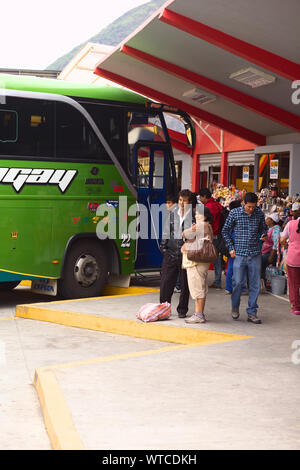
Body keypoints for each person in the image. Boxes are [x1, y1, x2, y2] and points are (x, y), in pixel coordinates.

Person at [222, 192, 267, 324]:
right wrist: (230, 247)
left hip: (255, 253)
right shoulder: (234, 213)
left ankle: (252, 312)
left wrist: (263, 235)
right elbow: (225, 231)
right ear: (243, 203)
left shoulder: (259, 214)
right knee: (237, 283)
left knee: (254, 284)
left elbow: (262, 229)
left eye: (254, 207)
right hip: (239, 254)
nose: (251, 209)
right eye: (249, 207)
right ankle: (235, 306)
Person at [159, 189, 195, 318]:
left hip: (186, 254)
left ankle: (182, 310)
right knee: (166, 282)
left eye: (185, 200)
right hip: (170, 252)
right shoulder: (172, 214)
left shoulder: (194, 216)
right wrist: (163, 247)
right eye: (180, 200)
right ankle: (164, 307)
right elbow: (166, 231)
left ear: (189, 202)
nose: (182, 203)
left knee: (185, 284)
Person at [181, 207, 213, 324]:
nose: (197, 216)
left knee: (197, 287)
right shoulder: (207, 225)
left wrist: (185, 238)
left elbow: (185, 233)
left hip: (196, 261)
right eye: (196, 214)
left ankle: (199, 315)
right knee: (200, 287)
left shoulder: (202, 225)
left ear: (205, 216)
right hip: (201, 261)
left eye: (199, 214)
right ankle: (198, 313)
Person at [199, 188, 223, 289]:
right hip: (217, 235)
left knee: (209, 258)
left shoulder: (209, 207)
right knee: (216, 258)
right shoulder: (217, 204)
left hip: (212, 235)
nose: (200, 199)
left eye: (200, 197)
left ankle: (216, 281)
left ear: (204, 196)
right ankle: (217, 280)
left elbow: (208, 222)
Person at [224, 200, 247, 295]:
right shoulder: (239, 217)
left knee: (231, 267)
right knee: (242, 267)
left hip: (231, 245)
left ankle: (228, 288)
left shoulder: (230, 217)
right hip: (240, 245)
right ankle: (241, 288)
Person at [280, 208, 300, 315]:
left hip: (293, 258)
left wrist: (289, 246)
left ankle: (296, 307)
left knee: (293, 284)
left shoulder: (291, 224)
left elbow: (282, 240)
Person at [261, 212, 281, 290]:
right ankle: (263, 283)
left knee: (259, 262)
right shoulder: (270, 228)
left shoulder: (276, 229)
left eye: (268, 219)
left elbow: (276, 243)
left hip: (270, 253)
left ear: (272, 221)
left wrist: (271, 256)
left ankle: (265, 283)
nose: (266, 220)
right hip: (265, 251)